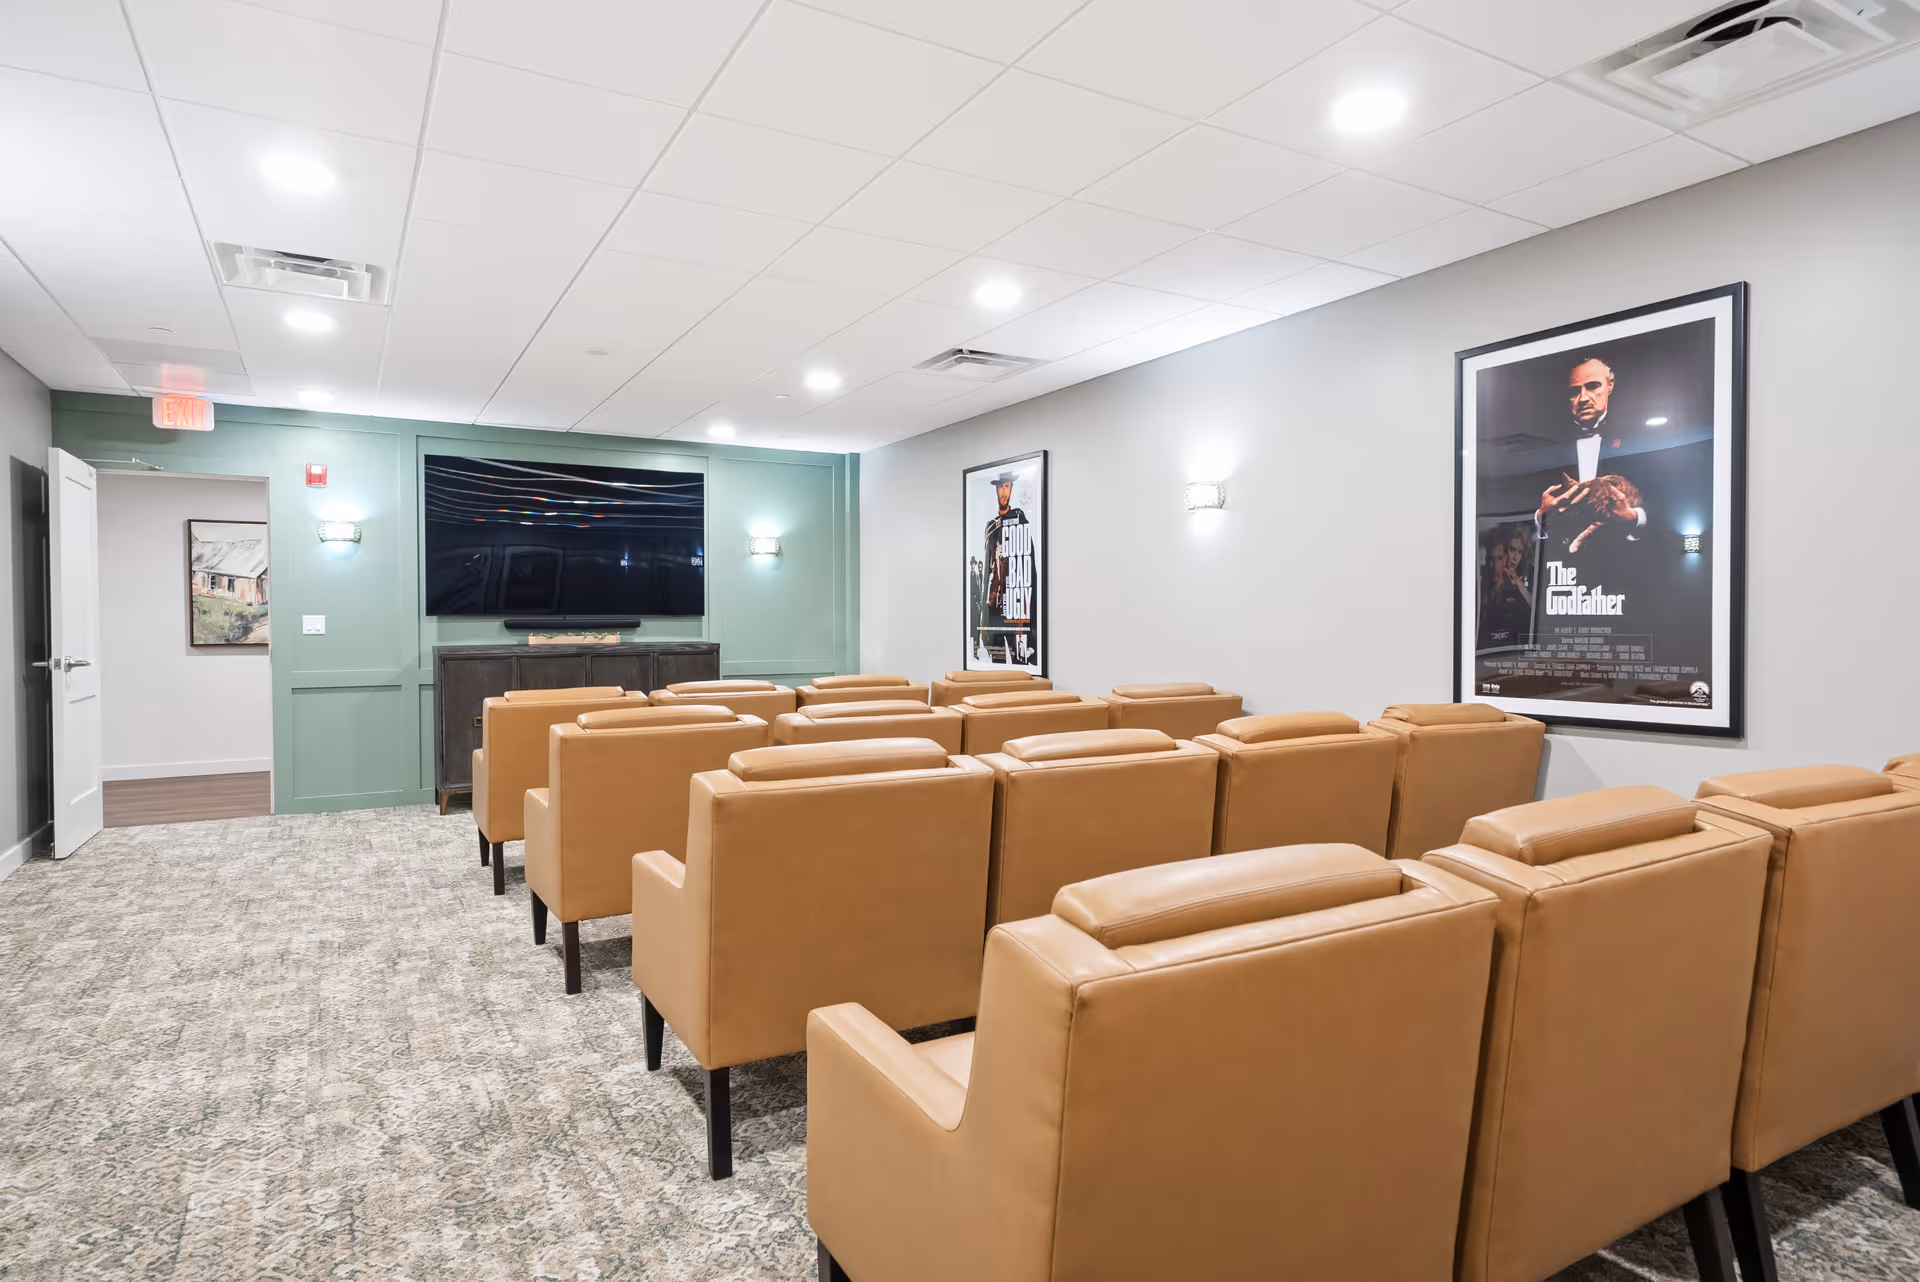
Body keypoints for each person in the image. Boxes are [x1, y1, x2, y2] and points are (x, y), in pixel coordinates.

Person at [1535, 357, 1647, 553]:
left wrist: (1633, 517)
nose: (1583, 398)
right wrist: (1542, 515)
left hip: (1627, 563)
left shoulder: (1641, 438)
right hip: (1564, 572)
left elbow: (1665, 505)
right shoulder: (1546, 449)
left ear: (1610, 385)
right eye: (1574, 392)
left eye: (1593, 386)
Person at [982, 471, 1035, 665]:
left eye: (1007, 487)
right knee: (996, 662)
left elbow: (1029, 565)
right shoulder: (991, 527)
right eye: (1000, 487)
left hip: (1014, 602)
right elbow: (988, 569)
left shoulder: (1019, 519)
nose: (1003, 492)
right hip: (994, 603)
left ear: (1011, 489)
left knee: (1018, 661)